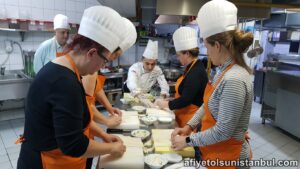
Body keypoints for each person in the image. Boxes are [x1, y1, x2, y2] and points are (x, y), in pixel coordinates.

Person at [17, 6, 127, 169]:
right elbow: (74, 145)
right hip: (44, 163)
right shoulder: (65, 83)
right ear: (91, 53)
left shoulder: (62, 71)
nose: (102, 67)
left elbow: (73, 124)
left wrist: (103, 135)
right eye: (105, 61)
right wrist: (111, 148)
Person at [170, 1, 254, 168]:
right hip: (217, 153)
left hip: (230, 158)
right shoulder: (222, 72)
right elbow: (205, 105)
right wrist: (188, 126)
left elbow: (223, 131)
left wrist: (188, 140)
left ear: (217, 45)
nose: (206, 53)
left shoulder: (234, 79)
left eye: (207, 47)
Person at [155, 27, 208, 127]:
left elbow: (186, 99)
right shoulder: (192, 67)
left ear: (187, 54)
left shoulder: (196, 72)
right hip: (184, 116)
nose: (178, 58)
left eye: (179, 55)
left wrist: (166, 104)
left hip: (191, 120)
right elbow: (187, 92)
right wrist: (171, 100)